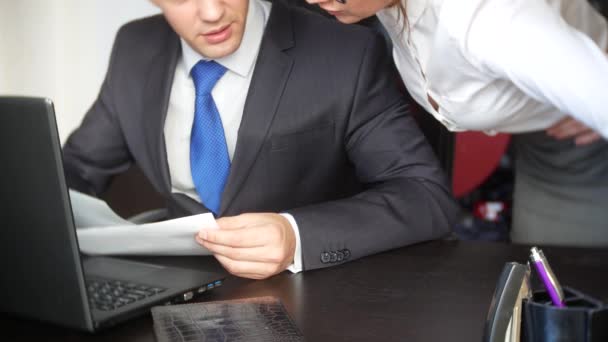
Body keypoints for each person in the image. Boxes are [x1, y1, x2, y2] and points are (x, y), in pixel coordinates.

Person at [63, 0, 458, 280]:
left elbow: (425, 196)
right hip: (174, 287)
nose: (212, 12)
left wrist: (296, 235)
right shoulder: (135, 47)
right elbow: (76, 169)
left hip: (311, 297)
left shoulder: (344, 51)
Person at [307, 0, 608, 246]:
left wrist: (595, 92)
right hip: (540, 142)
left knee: (569, 294)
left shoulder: (486, 16)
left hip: (584, 151)